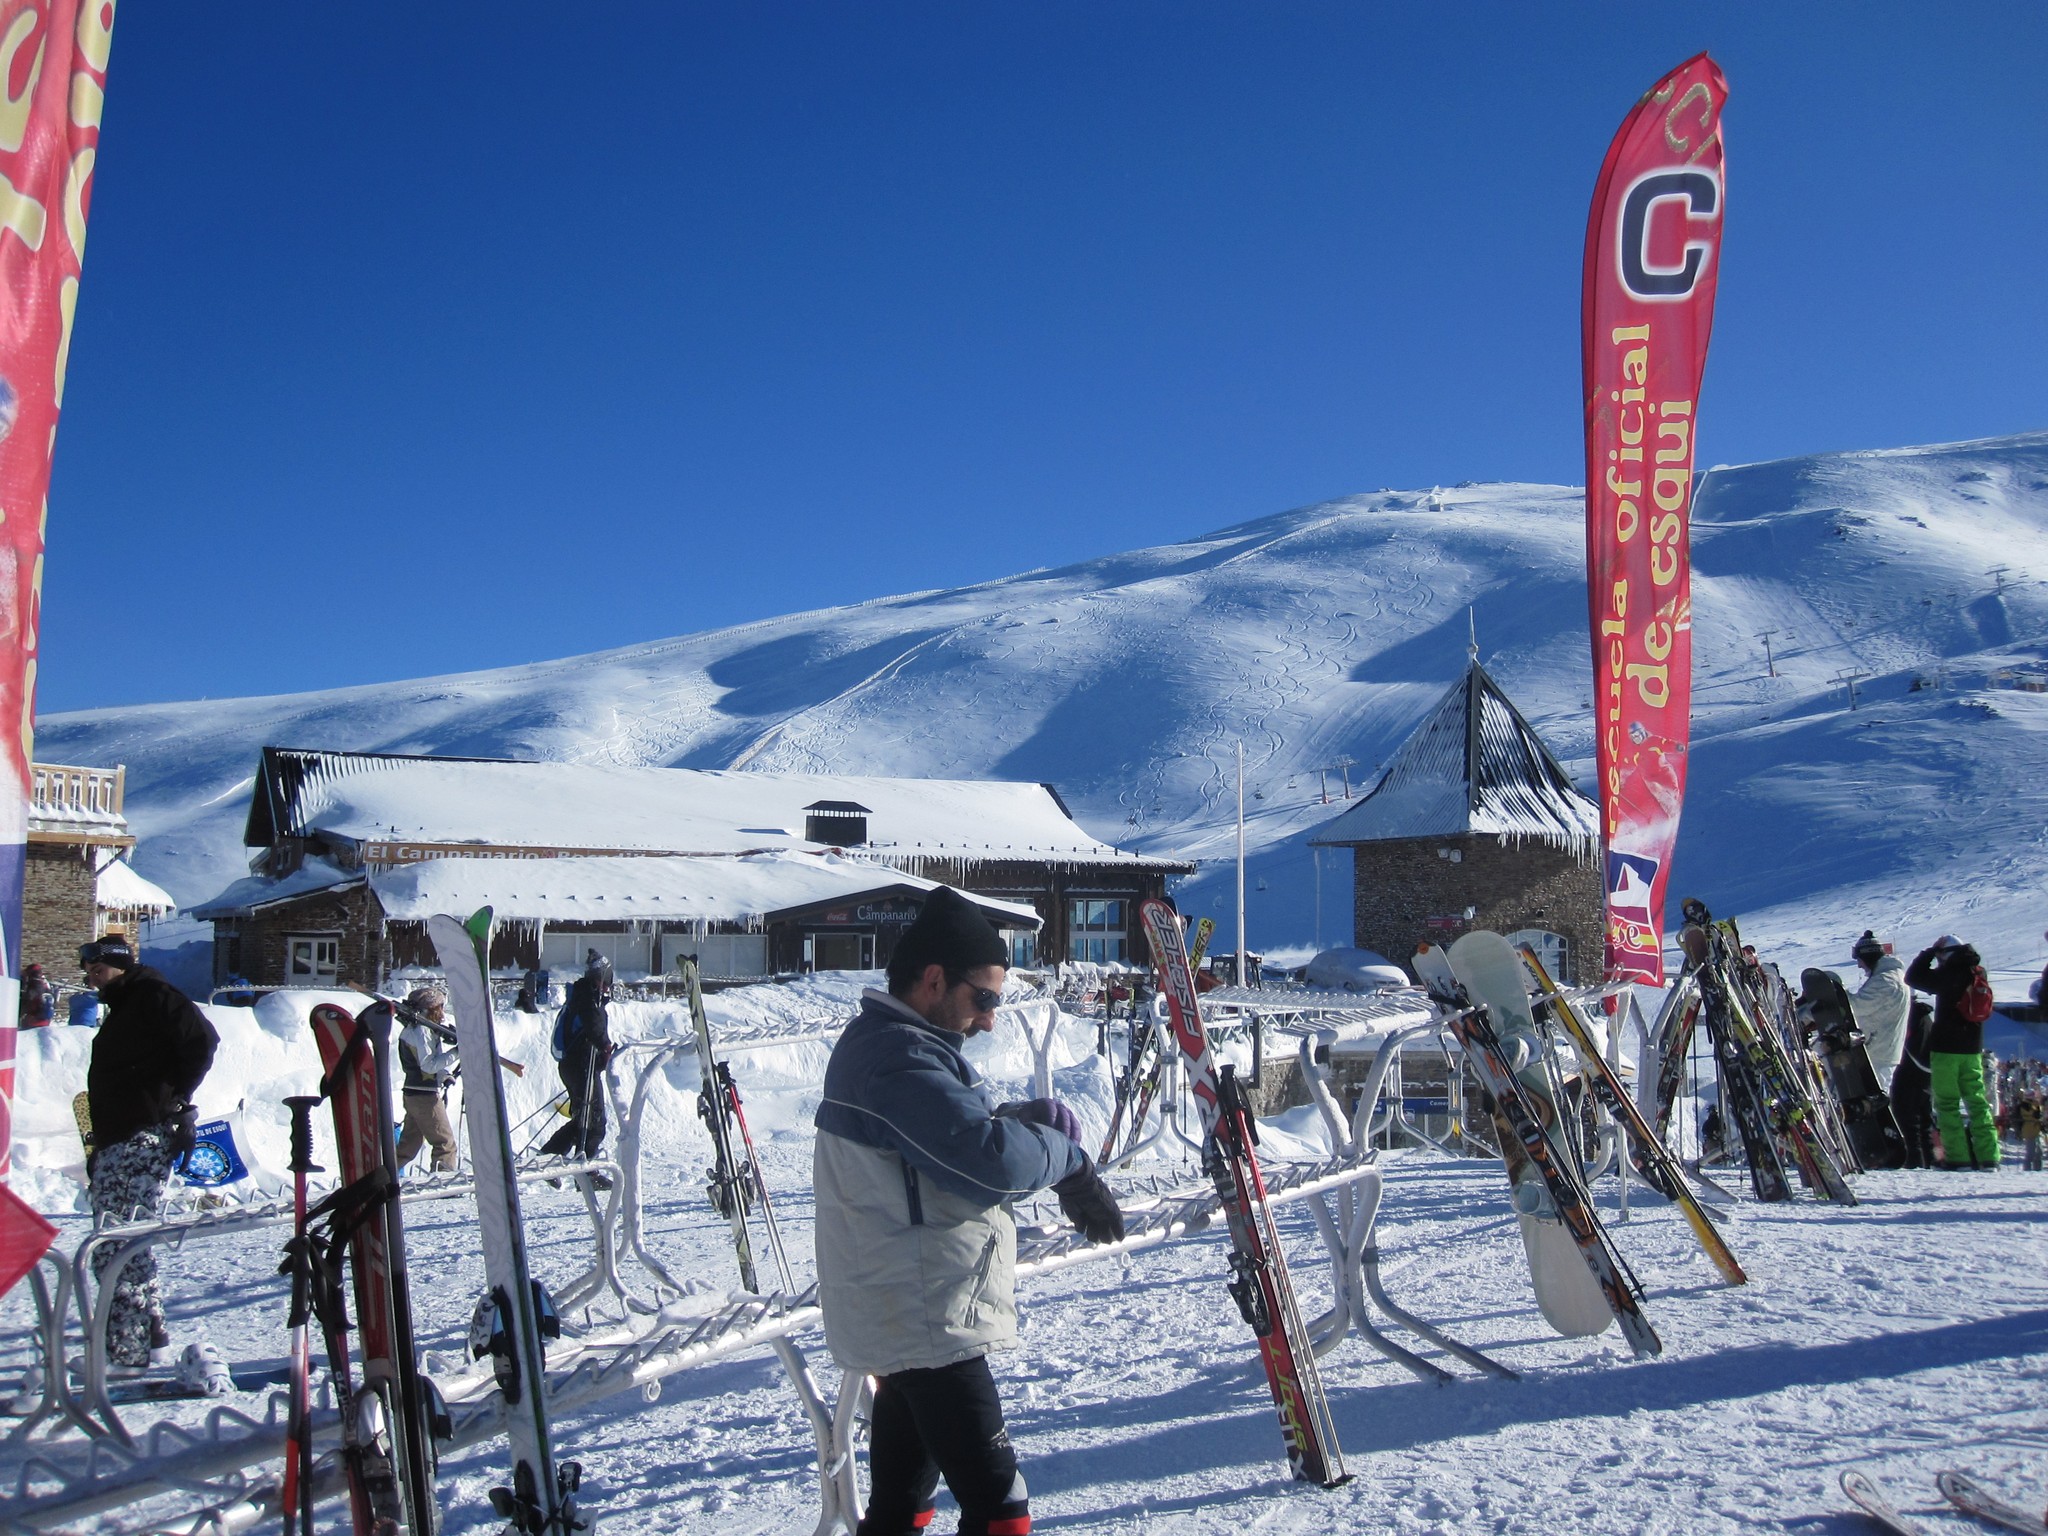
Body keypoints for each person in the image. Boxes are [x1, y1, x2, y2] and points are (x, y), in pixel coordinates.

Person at [813, 886, 1124, 1536]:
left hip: (910, 1312)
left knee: (901, 1508)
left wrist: (1015, 1121)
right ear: (932, 980)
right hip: (926, 1320)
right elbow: (985, 1164)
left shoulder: (896, 1047)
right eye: (983, 1000)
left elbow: (931, 1151)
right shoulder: (897, 1058)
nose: (989, 1021)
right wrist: (1065, 1158)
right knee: (1000, 1511)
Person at [82, 935, 219, 1369]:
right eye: (88, 968)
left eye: (97, 966)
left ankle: (128, 1349)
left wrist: (176, 1098)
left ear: (118, 963)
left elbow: (203, 1040)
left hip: (141, 1133)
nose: (90, 974)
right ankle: (148, 1332)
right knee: (127, 1238)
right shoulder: (126, 1002)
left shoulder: (153, 995)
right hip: (119, 1136)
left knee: (115, 1243)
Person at [1905, 935, 2000, 1170]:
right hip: (1972, 1048)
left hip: (1946, 1048)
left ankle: (1958, 1157)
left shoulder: (1947, 974)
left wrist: (1927, 953)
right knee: (1977, 1102)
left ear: (1944, 954)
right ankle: (1989, 1156)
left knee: (1947, 1104)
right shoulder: (1978, 972)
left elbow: (1913, 977)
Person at [540, 951, 613, 1160]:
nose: (606, 986)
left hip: (573, 1067)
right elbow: (594, 1029)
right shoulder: (589, 999)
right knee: (595, 1123)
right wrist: (606, 1046)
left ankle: (551, 1156)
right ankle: (585, 1171)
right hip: (581, 1068)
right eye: (605, 980)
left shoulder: (581, 995)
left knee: (584, 1120)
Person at [394, 985, 460, 1174]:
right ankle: (444, 1181)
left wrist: (445, 1074)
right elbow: (428, 1065)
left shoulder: (419, 1029)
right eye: (440, 1007)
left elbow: (430, 1064)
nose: (442, 1012)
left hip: (413, 1093)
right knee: (444, 1143)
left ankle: (377, 1179)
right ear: (431, 1008)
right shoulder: (421, 1031)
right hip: (425, 1097)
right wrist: (457, 1052)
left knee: (407, 1148)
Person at [1848, 931, 1912, 1082]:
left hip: (1878, 1055)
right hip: (1880, 1052)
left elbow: (1856, 1007)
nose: (1859, 965)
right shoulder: (1890, 976)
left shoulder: (1885, 981)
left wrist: (1834, 993)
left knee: (1875, 1098)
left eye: (1860, 960)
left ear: (1867, 957)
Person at [1892, 1001, 1937, 1168]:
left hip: (1907, 1074)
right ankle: (1930, 1160)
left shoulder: (1909, 1018)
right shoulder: (1927, 1019)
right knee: (1925, 1122)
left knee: (1908, 1121)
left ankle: (1914, 1160)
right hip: (1927, 1076)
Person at [18, 962, 52, 1027]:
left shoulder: (34, 984)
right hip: (43, 1020)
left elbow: (28, 1000)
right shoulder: (44, 984)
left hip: (33, 1020)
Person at [2016, 1093, 2044, 1172]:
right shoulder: (2024, 1105)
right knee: (2031, 1152)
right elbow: (2035, 1115)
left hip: (2037, 1130)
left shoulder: (2035, 1104)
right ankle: (2027, 1170)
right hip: (2029, 1130)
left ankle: (2038, 1170)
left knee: (2039, 1152)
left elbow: (2039, 1116)